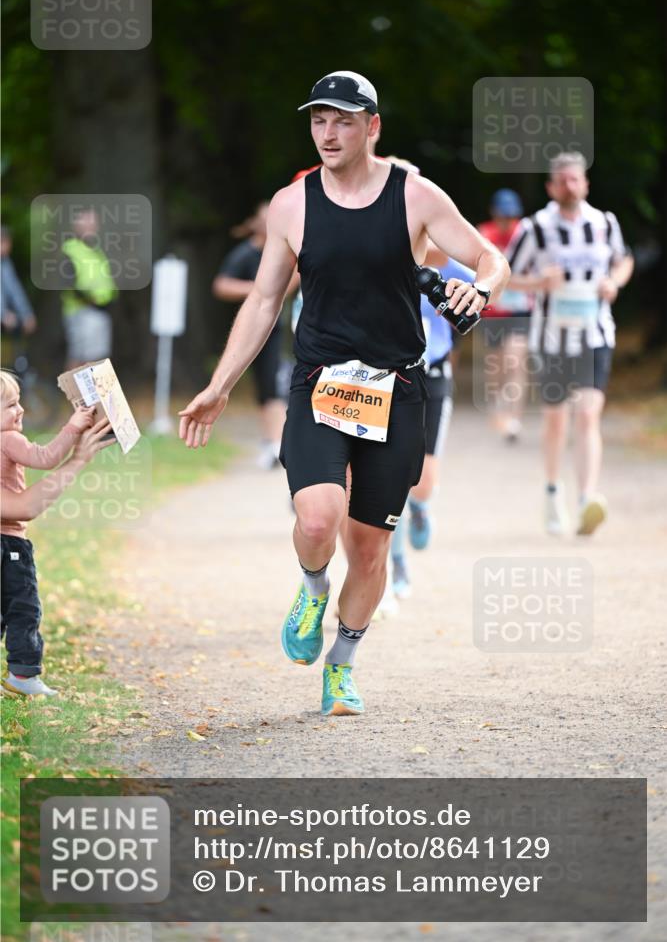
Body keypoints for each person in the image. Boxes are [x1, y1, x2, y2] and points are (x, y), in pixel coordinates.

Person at [179, 70, 509, 716]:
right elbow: (265, 300)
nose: (328, 133)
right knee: (316, 519)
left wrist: (484, 288)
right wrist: (220, 385)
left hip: (397, 388)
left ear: (372, 127)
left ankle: (342, 663)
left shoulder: (413, 195)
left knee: (368, 548)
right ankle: (309, 587)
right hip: (319, 383)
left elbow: (487, 257)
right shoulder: (290, 205)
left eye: (343, 121)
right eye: (318, 120)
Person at [505, 152, 633, 536]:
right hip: (552, 337)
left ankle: (586, 499)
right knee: (557, 420)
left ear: (586, 183)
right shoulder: (535, 228)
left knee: (589, 413)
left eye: (575, 179)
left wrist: (615, 282)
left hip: (596, 333)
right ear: (551, 187)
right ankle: (552, 491)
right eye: (561, 181)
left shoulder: (605, 224)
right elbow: (505, 274)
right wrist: (537, 284)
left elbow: (623, 261)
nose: (569, 186)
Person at [1, 370, 114, 696]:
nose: (20, 410)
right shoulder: (8, 438)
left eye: (19, 402)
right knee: (24, 610)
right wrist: (74, 426)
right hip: (10, 544)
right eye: (10, 405)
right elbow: (46, 457)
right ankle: (22, 676)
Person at [390, 254, 475, 601]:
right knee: (390, 478)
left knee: (422, 484)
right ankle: (396, 563)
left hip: (435, 374)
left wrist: (469, 295)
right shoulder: (390, 255)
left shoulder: (454, 268)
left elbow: (486, 286)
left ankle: (420, 508)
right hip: (390, 376)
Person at [213, 203, 288, 469]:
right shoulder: (245, 254)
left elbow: (289, 286)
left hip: (278, 330)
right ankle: (274, 443)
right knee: (268, 389)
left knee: (274, 387)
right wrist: (257, 291)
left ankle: (276, 443)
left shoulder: (282, 253)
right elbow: (222, 285)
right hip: (253, 331)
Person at [477, 189, 531, 442]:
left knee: (515, 361)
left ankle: (514, 418)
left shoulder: (526, 234)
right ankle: (498, 404)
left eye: (511, 216)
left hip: (520, 309)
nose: (507, 221)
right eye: (503, 216)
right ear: (494, 213)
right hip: (493, 312)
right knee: (497, 364)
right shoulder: (483, 234)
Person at [60, 209, 118, 369]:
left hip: (101, 311)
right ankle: (72, 393)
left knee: (97, 359)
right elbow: (68, 282)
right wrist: (88, 299)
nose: (92, 228)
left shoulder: (95, 250)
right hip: (82, 311)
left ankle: (91, 394)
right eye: (87, 224)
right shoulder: (71, 249)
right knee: (79, 358)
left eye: (93, 224)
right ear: (77, 227)